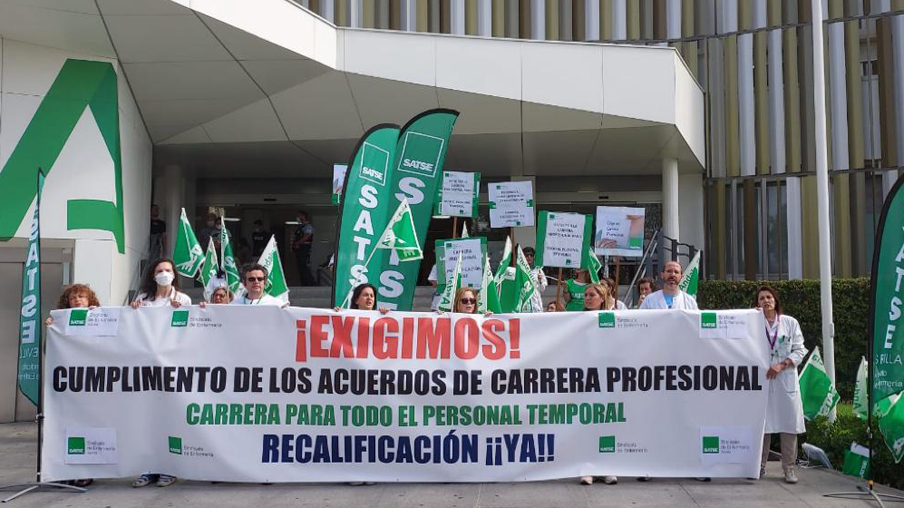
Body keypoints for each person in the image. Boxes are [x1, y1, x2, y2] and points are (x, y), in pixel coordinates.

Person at [130, 259, 187, 488]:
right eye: (159, 271)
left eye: (167, 270)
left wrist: (180, 312)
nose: (163, 274)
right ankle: (148, 468)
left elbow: (186, 329)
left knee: (169, 419)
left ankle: (169, 468)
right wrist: (133, 312)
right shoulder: (142, 300)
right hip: (146, 367)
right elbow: (132, 328)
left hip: (171, 365)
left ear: (174, 274)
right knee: (147, 419)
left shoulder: (182, 299)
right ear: (153, 276)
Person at [755, 286, 806, 484]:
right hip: (763, 380)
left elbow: (800, 351)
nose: (766, 301)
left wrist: (782, 365)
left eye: (769, 297)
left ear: (775, 301)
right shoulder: (753, 324)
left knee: (788, 425)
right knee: (763, 426)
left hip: (785, 380)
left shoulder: (790, 323)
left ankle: (789, 469)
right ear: (756, 304)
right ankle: (759, 466)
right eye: (761, 298)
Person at [579, 283, 617, 486]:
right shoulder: (576, 319)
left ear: (602, 298)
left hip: (608, 378)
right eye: (585, 295)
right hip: (586, 378)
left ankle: (606, 467)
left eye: (591, 295)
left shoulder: (614, 318)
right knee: (588, 422)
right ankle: (587, 468)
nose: (587, 298)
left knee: (606, 422)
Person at [291, 210, 315, 286]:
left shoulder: (308, 227)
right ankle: (304, 283)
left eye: (299, 216)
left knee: (303, 266)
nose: (297, 218)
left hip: (304, 248)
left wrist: (298, 243)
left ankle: (310, 283)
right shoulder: (300, 227)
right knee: (300, 267)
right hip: (299, 249)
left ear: (303, 216)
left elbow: (306, 237)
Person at [522, 247, 548, 312]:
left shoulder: (538, 270)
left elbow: (542, 289)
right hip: (523, 299)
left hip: (535, 300)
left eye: (531, 255)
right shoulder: (519, 270)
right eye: (527, 255)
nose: (529, 257)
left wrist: (540, 280)